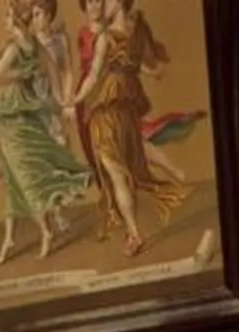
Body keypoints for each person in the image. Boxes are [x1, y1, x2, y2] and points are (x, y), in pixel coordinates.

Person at [0, 0, 91, 262]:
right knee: (16, 174)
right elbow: (10, 67)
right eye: (32, 14)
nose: (36, 18)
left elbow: (57, 71)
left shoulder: (43, 44)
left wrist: (64, 102)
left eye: (8, 16)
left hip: (30, 108)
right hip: (17, 111)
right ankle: (14, 235)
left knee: (31, 170)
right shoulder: (24, 44)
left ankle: (48, 223)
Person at [72, 0, 188, 255]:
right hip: (126, 105)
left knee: (115, 172)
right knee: (130, 158)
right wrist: (153, 73)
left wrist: (75, 101)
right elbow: (138, 66)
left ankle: (134, 234)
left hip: (105, 108)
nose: (103, 5)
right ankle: (136, 227)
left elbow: (93, 77)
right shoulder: (134, 32)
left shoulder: (105, 37)